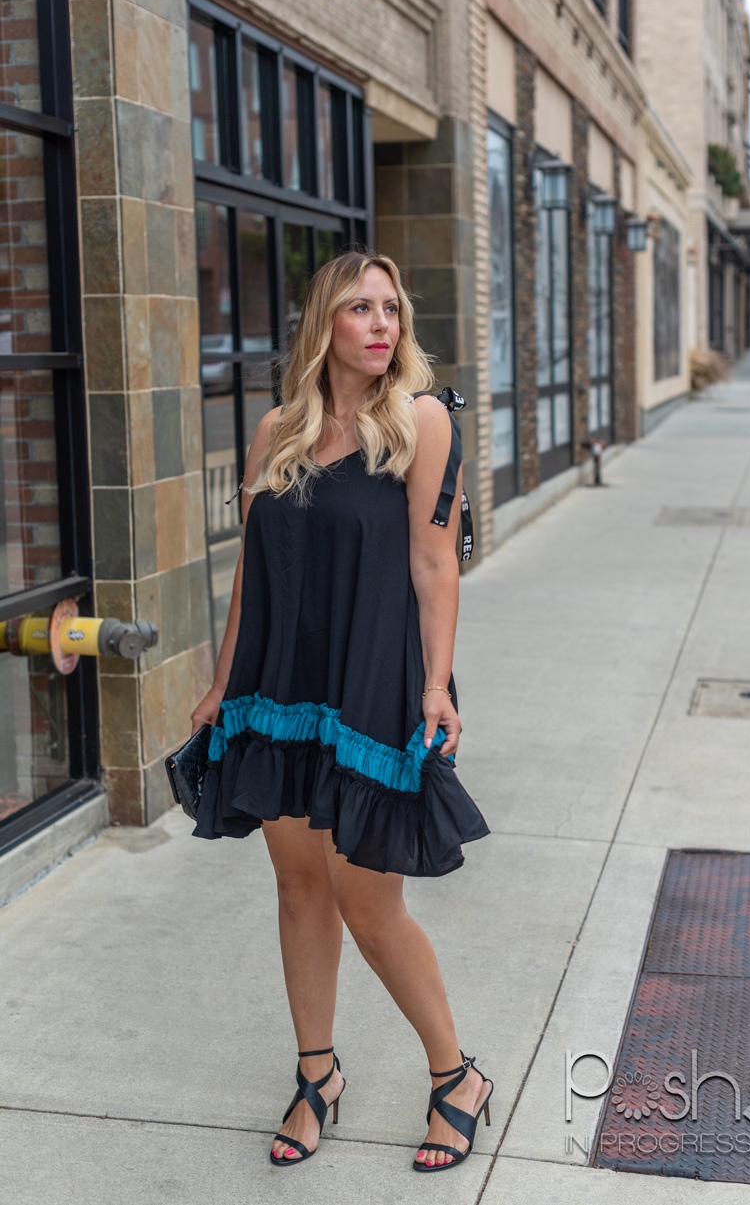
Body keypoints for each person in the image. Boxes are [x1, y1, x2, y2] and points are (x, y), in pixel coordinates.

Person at [189, 249, 492, 1173]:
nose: (382, 324)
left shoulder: (421, 423)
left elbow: (434, 563)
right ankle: (316, 1072)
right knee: (297, 885)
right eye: (361, 308)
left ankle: (456, 1075)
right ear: (325, 322)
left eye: (391, 309)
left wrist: (437, 685)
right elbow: (253, 566)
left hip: (370, 682)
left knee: (369, 899)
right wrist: (220, 680)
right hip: (278, 689)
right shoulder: (279, 428)